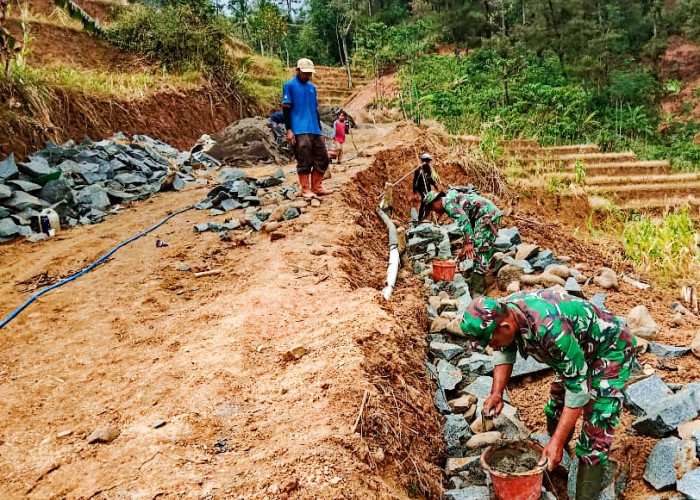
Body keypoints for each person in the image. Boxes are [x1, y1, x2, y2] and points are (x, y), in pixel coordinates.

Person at [460, 291, 637, 500]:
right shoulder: (505, 311)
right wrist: (497, 393)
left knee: (596, 430)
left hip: (610, 349)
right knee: (556, 405)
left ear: (505, 327)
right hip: (576, 349)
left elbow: (578, 388)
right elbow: (504, 350)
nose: (493, 347)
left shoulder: (549, 330)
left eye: (491, 342)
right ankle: (562, 464)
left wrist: (556, 442)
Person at [423, 189, 501, 297]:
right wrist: (465, 246)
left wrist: (469, 242)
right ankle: (474, 279)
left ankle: (478, 291)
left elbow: (464, 220)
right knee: (477, 246)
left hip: (487, 215)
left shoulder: (449, 205)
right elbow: (468, 219)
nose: (434, 211)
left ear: (436, 201)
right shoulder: (450, 199)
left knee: (481, 248)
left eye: (432, 208)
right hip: (482, 216)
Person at [282, 58, 332, 198]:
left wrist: (320, 130)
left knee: (323, 157)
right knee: (304, 158)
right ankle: (305, 189)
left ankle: (317, 187)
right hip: (299, 129)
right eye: (305, 73)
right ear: (297, 71)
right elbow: (286, 109)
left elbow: (315, 110)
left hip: (314, 128)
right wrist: (289, 130)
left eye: (309, 73)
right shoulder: (289, 86)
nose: (307, 76)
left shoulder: (312, 88)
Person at [412, 153, 437, 221]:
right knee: (424, 199)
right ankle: (420, 218)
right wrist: (414, 192)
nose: (428, 163)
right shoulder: (418, 170)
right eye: (427, 161)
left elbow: (429, 178)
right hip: (420, 187)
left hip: (427, 187)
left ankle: (426, 216)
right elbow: (415, 181)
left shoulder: (428, 168)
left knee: (429, 200)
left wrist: (434, 184)